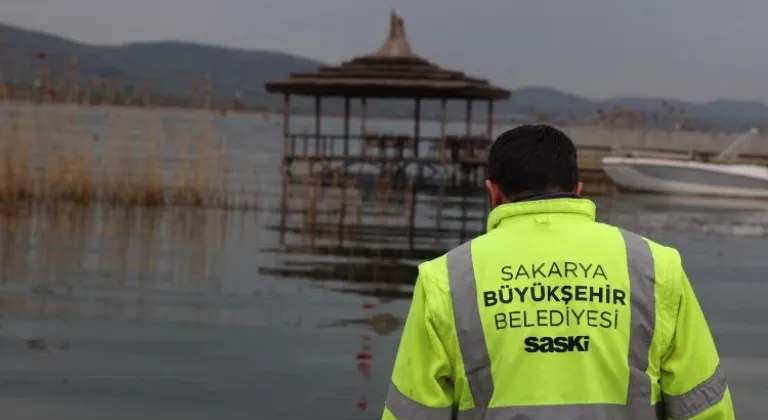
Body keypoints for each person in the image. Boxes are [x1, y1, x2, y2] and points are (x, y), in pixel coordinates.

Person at [381, 125, 734, 420]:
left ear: (493, 193)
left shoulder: (446, 278)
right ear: (577, 192)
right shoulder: (656, 266)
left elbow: (412, 412)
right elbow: (706, 408)